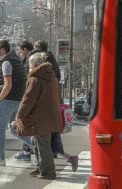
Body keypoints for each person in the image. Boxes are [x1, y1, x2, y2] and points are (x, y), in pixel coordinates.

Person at [14, 52, 62, 180]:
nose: (28, 67)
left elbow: (27, 100)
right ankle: (41, 167)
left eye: (29, 65)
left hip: (40, 118)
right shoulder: (51, 77)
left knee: (42, 145)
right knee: (36, 143)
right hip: (49, 116)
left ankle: (48, 172)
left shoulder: (35, 79)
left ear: (34, 65)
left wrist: (19, 116)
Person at [34, 40, 78, 172]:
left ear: (38, 49)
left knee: (44, 139)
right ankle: (45, 163)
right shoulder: (52, 59)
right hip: (54, 103)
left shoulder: (44, 62)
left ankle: (45, 166)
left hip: (48, 105)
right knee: (49, 138)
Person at [0, 40, 29, 166]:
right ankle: (37, 149)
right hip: (17, 100)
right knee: (15, 129)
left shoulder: (6, 63)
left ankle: (0, 158)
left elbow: (7, 85)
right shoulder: (17, 61)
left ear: (2, 50)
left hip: (7, 100)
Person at [11, 40, 36, 162]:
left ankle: (29, 151)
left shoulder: (31, 61)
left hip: (29, 97)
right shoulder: (31, 59)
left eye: (21, 51)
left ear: (25, 50)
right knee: (26, 125)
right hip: (30, 97)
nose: (20, 53)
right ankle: (28, 150)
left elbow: (28, 80)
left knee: (22, 124)